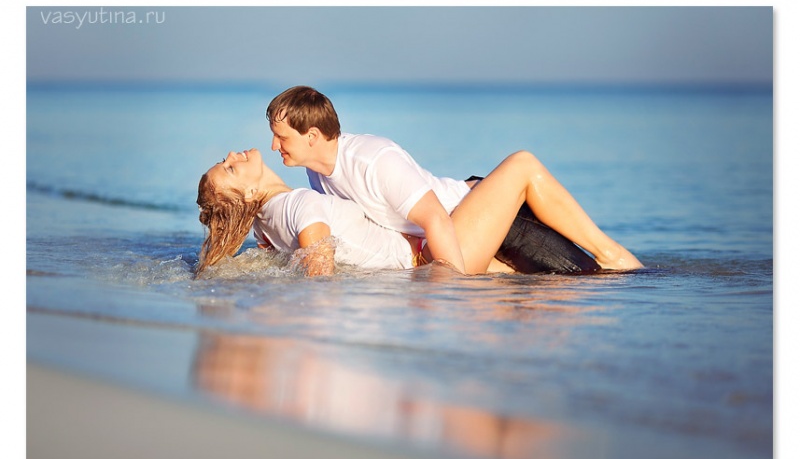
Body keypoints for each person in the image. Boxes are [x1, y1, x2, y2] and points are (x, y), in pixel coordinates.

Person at [264, 86, 642, 275]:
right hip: (461, 232)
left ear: (312, 136)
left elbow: (436, 219)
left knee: (522, 164)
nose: (274, 145)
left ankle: (612, 251)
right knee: (562, 292)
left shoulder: (372, 157)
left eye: (281, 137)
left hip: (475, 216)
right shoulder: (318, 174)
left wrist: (450, 296)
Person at [195, 148, 636, 278]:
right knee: (522, 165)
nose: (233, 156)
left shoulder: (266, 224)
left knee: (557, 285)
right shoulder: (301, 204)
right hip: (435, 257)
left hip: (422, 263)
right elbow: (319, 280)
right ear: (247, 192)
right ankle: (614, 253)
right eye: (230, 168)